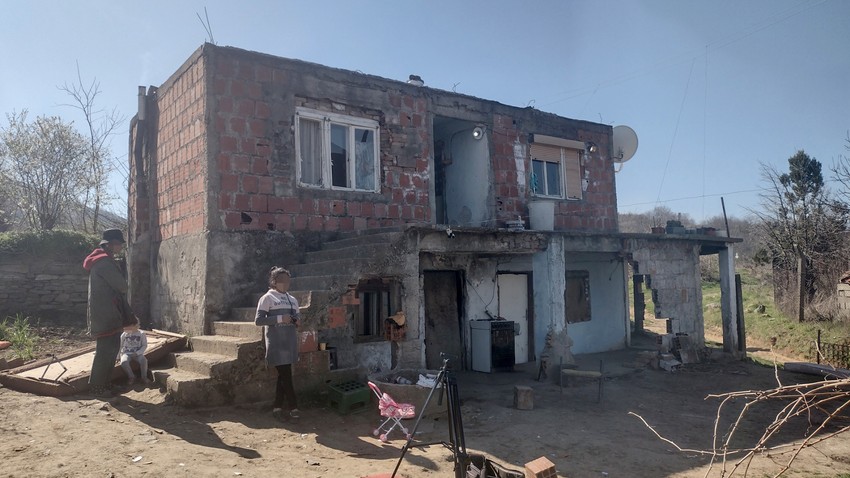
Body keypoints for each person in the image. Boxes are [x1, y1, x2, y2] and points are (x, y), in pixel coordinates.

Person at [83, 229, 130, 397]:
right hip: (106, 313)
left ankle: (106, 384)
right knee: (105, 351)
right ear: (110, 245)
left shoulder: (104, 260)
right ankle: (97, 387)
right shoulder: (104, 262)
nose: (120, 247)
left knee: (111, 350)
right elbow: (122, 286)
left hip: (107, 311)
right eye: (119, 244)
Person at [255, 266, 301, 420]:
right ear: (274, 281)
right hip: (276, 344)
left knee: (283, 376)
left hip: (289, 343)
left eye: (287, 281)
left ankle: (277, 408)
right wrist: (280, 319)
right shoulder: (267, 298)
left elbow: (298, 318)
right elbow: (259, 320)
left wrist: (296, 321)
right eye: (281, 280)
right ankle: (294, 407)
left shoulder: (292, 300)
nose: (285, 284)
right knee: (286, 375)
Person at [118, 317, 150, 386]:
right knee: (123, 362)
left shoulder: (141, 334)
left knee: (144, 361)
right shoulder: (124, 334)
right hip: (126, 353)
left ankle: (144, 377)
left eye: (131, 326)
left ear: (136, 326)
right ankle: (132, 377)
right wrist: (118, 357)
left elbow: (144, 345)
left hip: (137, 353)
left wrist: (137, 353)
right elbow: (120, 346)